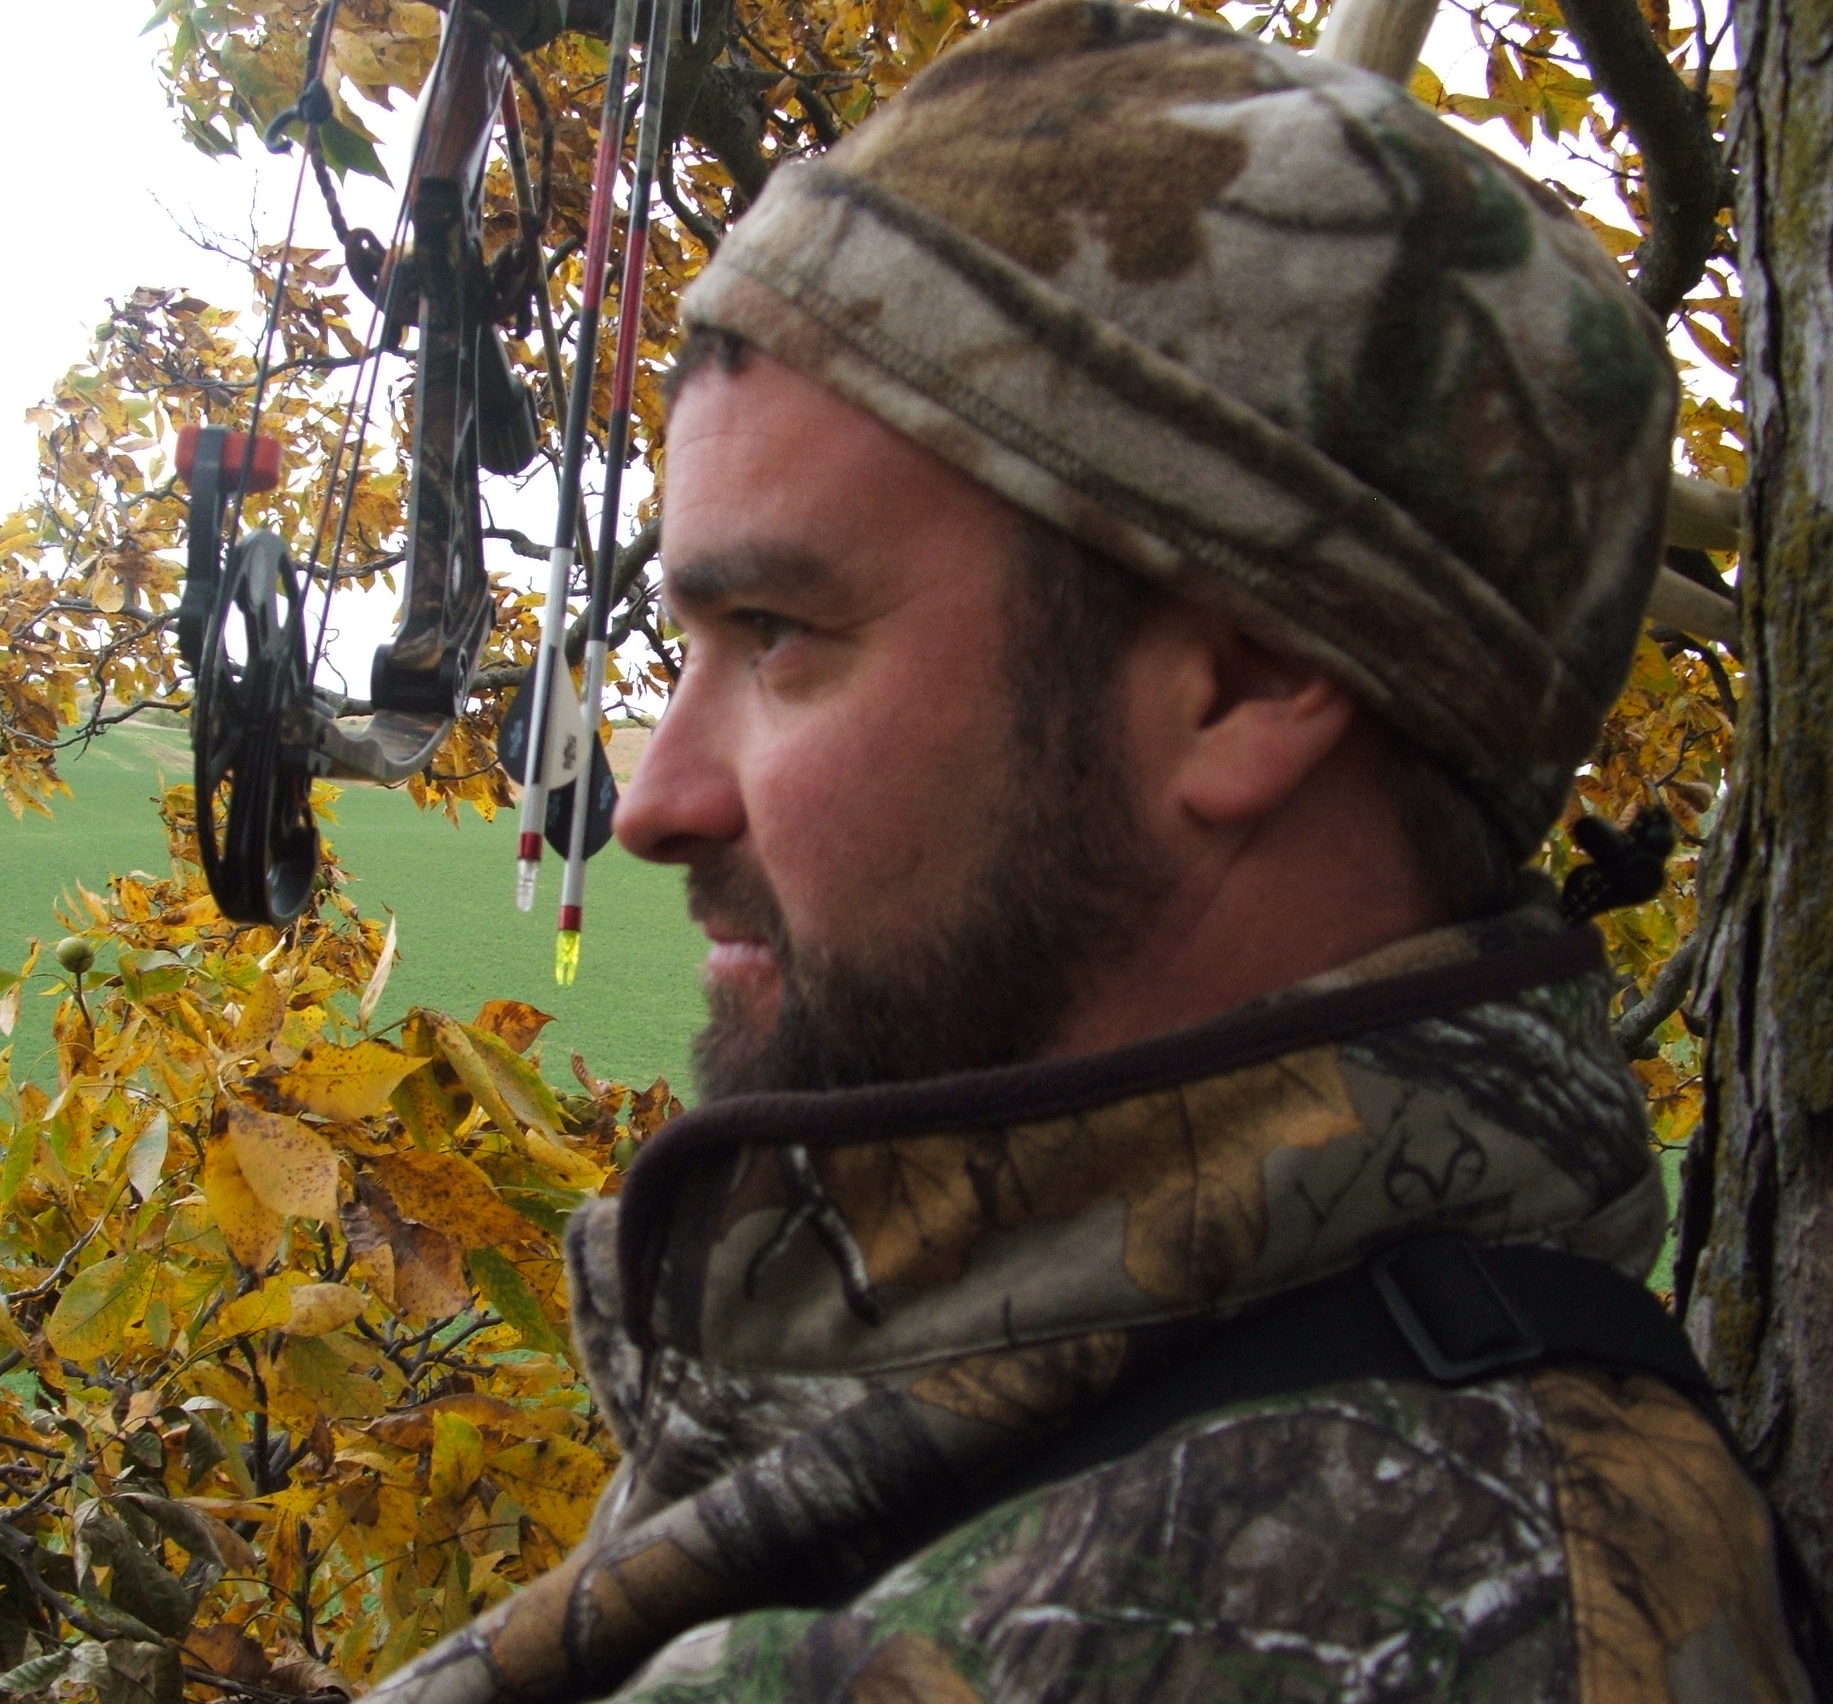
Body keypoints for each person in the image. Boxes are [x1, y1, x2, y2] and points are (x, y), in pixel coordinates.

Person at [372, 2, 1812, 1698]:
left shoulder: (1351, 1621)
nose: (654, 800)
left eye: (777, 632)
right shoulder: (1090, 1400)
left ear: (1250, 687)